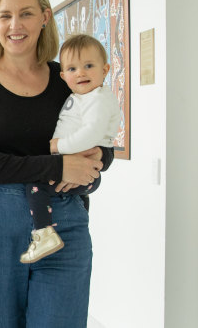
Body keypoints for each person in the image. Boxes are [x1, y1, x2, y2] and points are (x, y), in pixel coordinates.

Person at [0, 0, 114, 327]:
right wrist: (57, 168)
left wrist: (99, 159)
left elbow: (100, 138)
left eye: (25, 14)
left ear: (44, 17)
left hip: (64, 221)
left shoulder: (66, 77)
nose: (14, 25)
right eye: (4, 15)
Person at [20, 34, 120, 264]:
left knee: (36, 186)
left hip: (84, 169)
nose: (81, 73)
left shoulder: (99, 98)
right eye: (73, 69)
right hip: (74, 169)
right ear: (64, 76)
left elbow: (92, 133)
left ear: (105, 70)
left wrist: (58, 146)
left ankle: (44, 234)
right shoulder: (82, 96)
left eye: (89, 66)